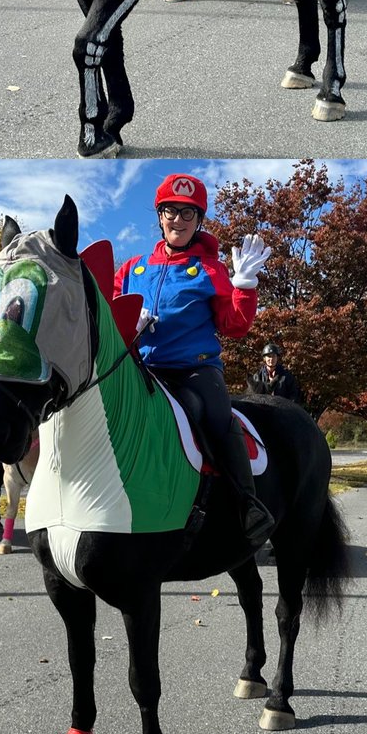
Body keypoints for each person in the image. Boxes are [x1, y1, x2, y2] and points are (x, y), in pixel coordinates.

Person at [114, 173, 274, 548]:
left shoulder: (211, 269)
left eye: (189, 213)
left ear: (198, 221)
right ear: (159, 216)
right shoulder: (132, 268)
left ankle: (248, 505)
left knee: (216, 418)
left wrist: (245, 286)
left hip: (194, 370)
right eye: (171, 211)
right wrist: (126, 324)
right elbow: (106, 319)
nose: (179, 220)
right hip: (142, 369)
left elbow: (234, 326)